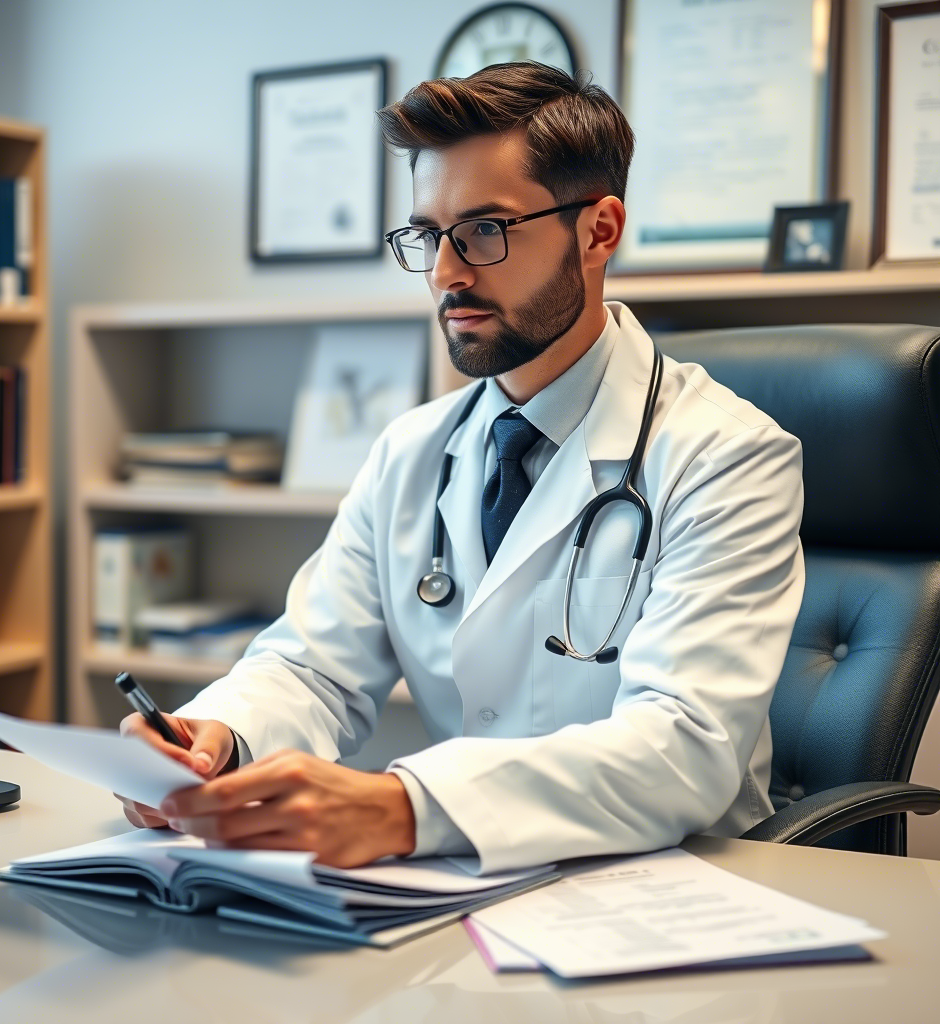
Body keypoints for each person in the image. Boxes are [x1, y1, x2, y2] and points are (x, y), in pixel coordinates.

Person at [117, 62, 804, 874]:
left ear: (599, 230)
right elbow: (313, 667)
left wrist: (406, 805)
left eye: (485, 230)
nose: (446, 273)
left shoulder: (728, 456)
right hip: (478, 886)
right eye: (427, 236)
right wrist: (215, 738)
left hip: (677, 887)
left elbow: (684, 746)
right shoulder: (412, 451)